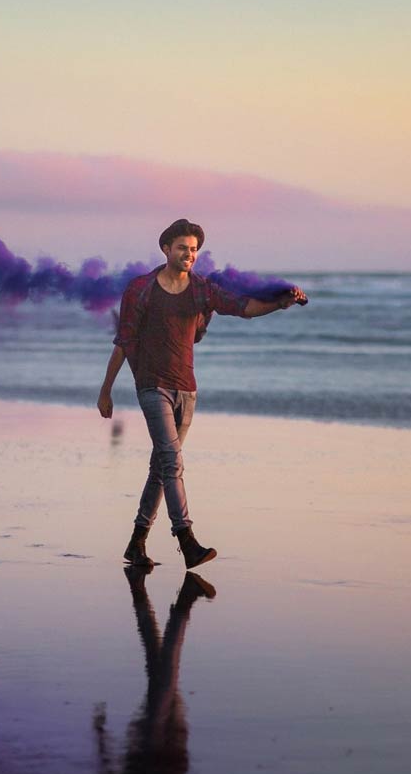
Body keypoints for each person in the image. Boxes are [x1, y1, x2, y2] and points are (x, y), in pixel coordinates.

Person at [97, 219, 306, 568]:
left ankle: (136, 543)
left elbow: (245, 308)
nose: (189, 255)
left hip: (187, 389)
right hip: (151, 386)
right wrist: (106, 391)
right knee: (172, 462)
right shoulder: (141, 289)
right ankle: (186, 539)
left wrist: (279, 304)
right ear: (166, 249)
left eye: (194, 250)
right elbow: (124, 341)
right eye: (182, 248)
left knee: (161, 468)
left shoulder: (201, 290)